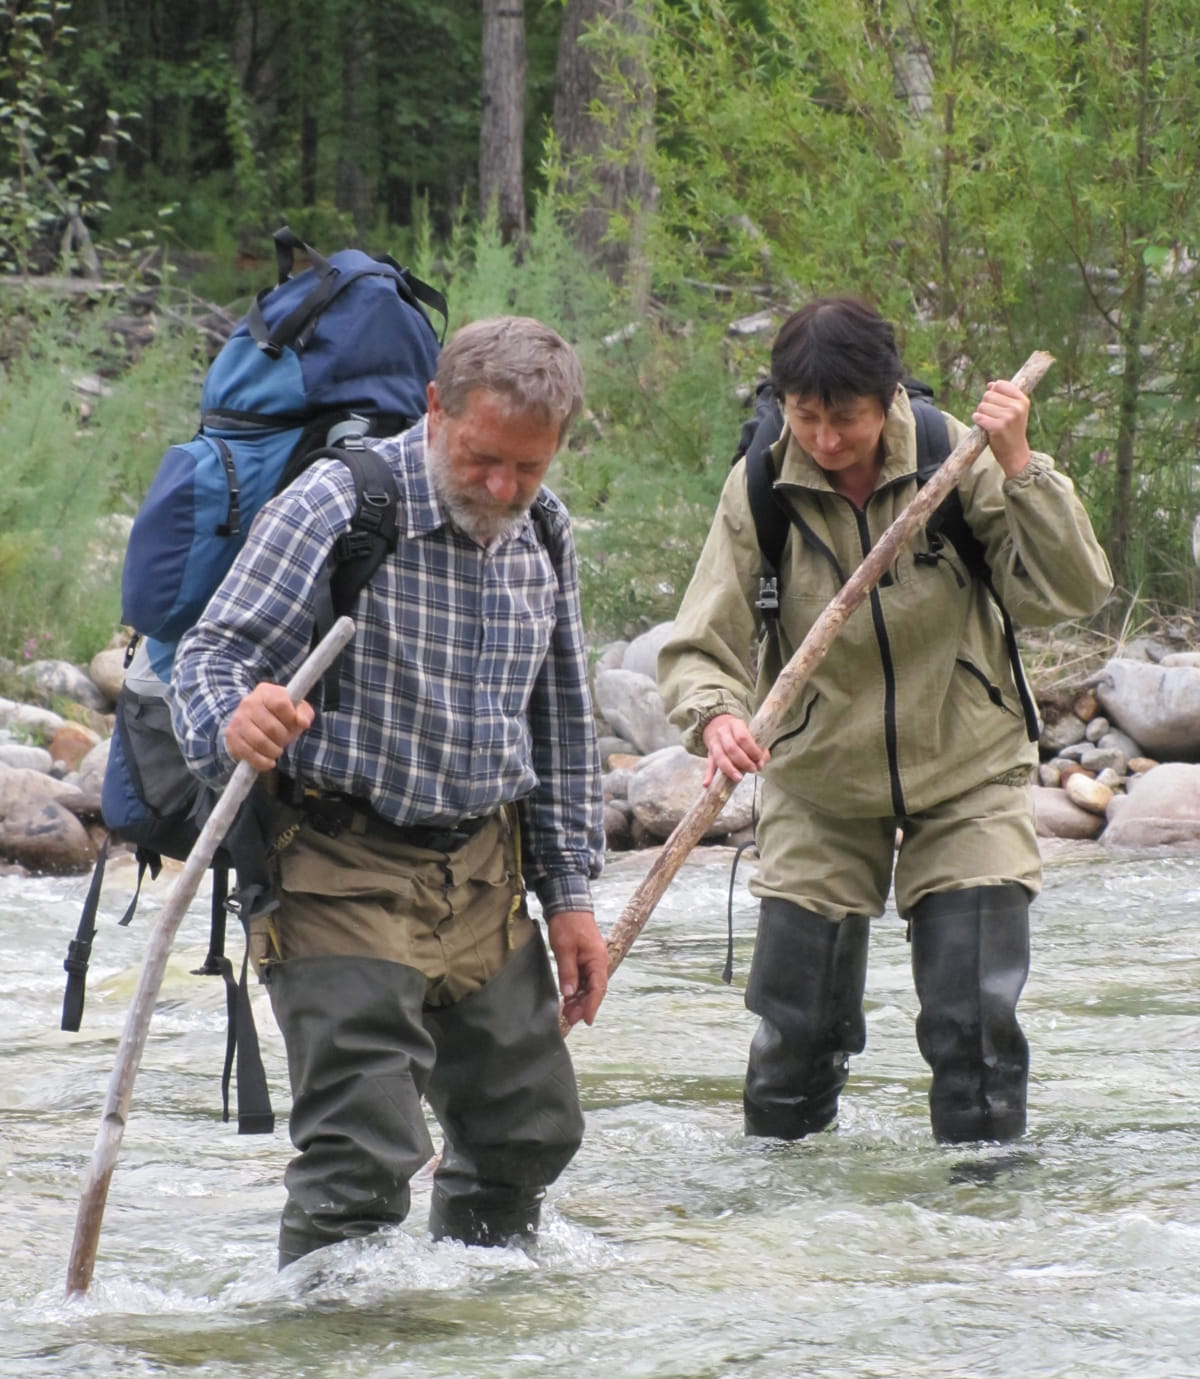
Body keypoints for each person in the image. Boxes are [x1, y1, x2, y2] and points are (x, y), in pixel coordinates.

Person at [170, 315, 608, 1266]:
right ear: (436, 408)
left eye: (527, 469)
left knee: (526, 1132)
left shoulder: (546, 528)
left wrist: (570, 896)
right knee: (362, 1162)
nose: (502, 489)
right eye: (484, 458)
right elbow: (211, 656)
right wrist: (234, 720)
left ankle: (473, 1353)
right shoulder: (340, 505)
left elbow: (564, 720)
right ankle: (333, 1374)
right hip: (338, 869)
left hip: (486, 876)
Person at [658, 296, 1112, 1145]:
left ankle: (980, 1232)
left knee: (973, 1027)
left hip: (967, 767)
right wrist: (716, 718)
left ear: (890, 398)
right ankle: (785, 1231)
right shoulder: (762, 481)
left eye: (847, 419)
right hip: (819, 779)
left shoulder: (958, 453)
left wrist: (1021, 466)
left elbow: (1076, 591)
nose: (826, 441)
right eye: (806, 416)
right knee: (796, 1037)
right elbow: (698, 644)